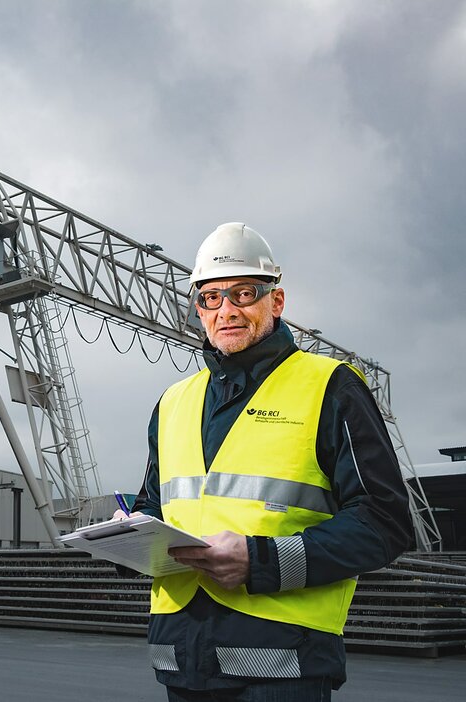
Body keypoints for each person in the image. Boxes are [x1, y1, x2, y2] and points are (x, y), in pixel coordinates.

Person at [118, 222, 413, 701]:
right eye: (210, 298)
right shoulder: (173, 402)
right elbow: (158, 506)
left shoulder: (331, 387)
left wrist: (260, 562)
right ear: (198, 308)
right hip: (181, 660)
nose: (226, 310)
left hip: (281, 668)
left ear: (276, 302)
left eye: (243, 293)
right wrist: (128, 535)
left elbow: (385, 522)